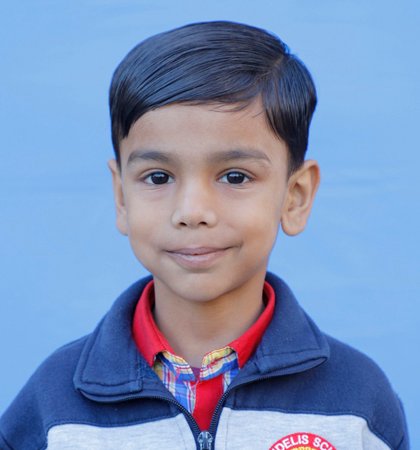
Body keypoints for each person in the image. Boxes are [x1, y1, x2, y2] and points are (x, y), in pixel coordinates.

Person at [0, 21, 408, 450]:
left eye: (235, 176)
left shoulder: (357, 405)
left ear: (295, 196)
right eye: (158, 177)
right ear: (121, 197)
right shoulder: (54, 409)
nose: (192, 212)